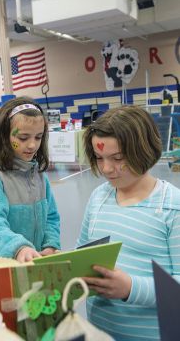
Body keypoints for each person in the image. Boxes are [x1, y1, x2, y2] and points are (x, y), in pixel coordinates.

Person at [76, 105, 180, 341]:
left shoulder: (172, 206)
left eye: (118, 158)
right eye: (99, 158)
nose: (106, 169)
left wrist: (131, 288)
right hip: (100, 333)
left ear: (144, 150)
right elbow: (82, 252)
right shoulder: (98, 198)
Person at [0, 96, 60, 263]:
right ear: (5, 136)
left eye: (38, 137)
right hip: (5, 267)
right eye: (23, 138)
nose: (32, 145)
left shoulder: (38, 174)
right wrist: (18, 248)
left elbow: (51, 216)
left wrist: (50, 245)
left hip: (35, 264)